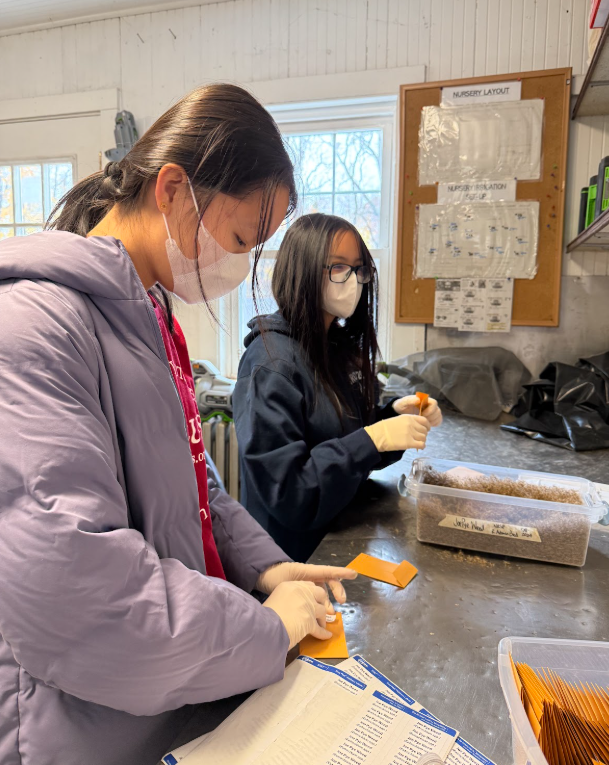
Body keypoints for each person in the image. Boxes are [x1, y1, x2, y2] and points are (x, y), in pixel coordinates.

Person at [0, 85, 357, 765]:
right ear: (171, 190)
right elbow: (76, 594)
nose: (240, 266)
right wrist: (263, 632)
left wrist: (267, 567)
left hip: (161, 709)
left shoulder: (150, 315)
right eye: (241, 239)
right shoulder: (32, 327)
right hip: (72, 731)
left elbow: (199, 488)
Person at [233, 213, 442, 561]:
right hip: (292, 559)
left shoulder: (335, 346)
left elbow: (346, 440)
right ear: (302, 270)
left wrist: (391, 418)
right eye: (338, 267)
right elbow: (290, 494)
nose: (354, 281)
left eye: (359, 269)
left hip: (339, 533)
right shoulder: (273, 365)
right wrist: (373, 439)